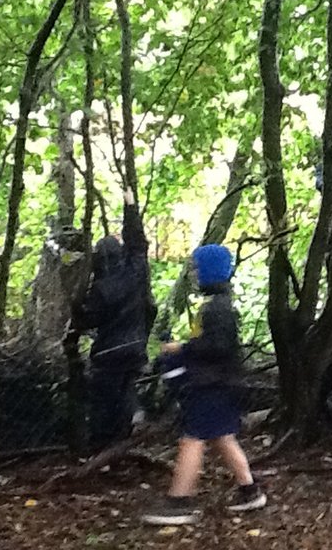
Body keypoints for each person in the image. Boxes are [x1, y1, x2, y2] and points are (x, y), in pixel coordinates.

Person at [141, 244, 266, 526]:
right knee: (221, 436)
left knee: (192, 438)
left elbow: (218, 347)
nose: (195, 275)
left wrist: (182, 348)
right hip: (219, 384)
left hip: (213, 386)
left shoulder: (217, 310)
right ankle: (249, 491)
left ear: (209, 273)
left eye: (198, 269)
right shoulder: (216, 307)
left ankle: (179, 502)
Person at [73, 188, 157, 451]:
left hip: (108, 352)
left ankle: (100, 451)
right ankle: (131, 423)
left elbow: (87, 320)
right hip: (135, 347)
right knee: (125, 391)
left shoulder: (99, 289)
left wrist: (76, 306)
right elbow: (137, 244)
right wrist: (130, 206)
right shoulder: (136, 271)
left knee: (103, 403)